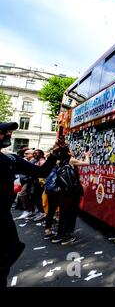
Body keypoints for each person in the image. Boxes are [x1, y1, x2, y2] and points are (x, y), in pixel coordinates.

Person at [0, 122, 63, 287]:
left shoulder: (11, 160)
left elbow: (40, 172)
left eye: (9, 132)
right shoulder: (8, 161)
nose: (9, 135)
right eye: (4, 132)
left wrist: (53, 156)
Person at [52, 146, 90, 245]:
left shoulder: (60, 161)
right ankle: (66, 237)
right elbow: (87, 163)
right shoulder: (71, 160)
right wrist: (87, 155)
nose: (72, 151)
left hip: (63, 192)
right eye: (71, 150)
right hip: (73, 192)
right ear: (68, 152)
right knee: (71, 213)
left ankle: (59, 235)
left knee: (63, 213)